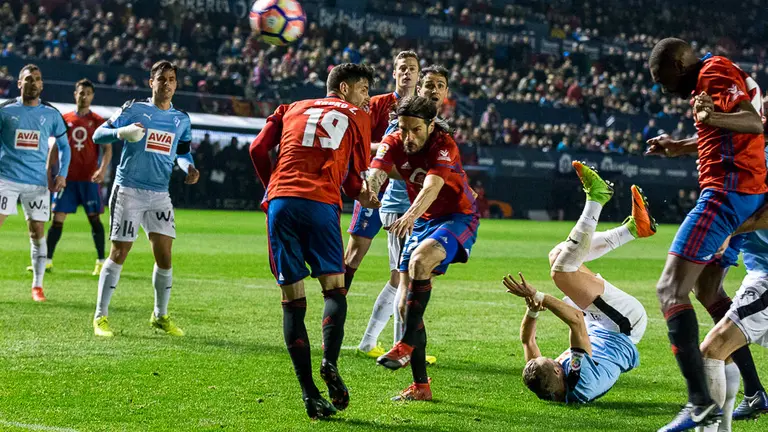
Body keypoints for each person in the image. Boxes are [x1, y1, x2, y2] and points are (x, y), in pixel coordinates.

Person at [647, 38, 767, 431]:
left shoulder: (714, 72)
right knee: (708, 288)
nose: (665, 89)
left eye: (665, 79)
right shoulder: (712, 81)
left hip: (729, 197)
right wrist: (680, 147)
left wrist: (711, 119)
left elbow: (749, 123)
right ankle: (754, 391)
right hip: (736, 198)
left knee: (670, 290)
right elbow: (733, 131)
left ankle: (699, 401)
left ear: (680, 65)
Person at [248, 63, 379, 419]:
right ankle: (329, 362)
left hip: (282, 203)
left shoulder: (290, 107)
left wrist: (271, 187)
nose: (367, 97)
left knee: (292, 301)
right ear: (345, 87)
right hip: (321, 203)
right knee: (334, 290)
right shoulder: (357, 116)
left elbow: (258, 149)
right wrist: (363, 196)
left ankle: (310, 395)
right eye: (364, 88)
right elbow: (353, 179)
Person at [507, 162, 655, 403]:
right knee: (561, 272)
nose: (554, 359)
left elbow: (527, 340)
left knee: (558, 256)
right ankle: (596, 198)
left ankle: (634, 229)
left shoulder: (545, 383)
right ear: (557, 370)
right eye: (553, 361)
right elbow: (575, 321)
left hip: (600, 324)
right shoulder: (578, 377)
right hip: (622, 326)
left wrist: (532, 312)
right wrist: (538, 296)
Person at [368, 95, 479, 401]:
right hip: (425, 221)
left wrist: (409, 215)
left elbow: (431, 187)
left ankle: (404, 344)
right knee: (405, 306)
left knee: (419, 262)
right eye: (403, 128)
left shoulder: (443, 145)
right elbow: (376, 171)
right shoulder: (394, 141)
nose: (408, 136)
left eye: (415, 129)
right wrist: (369, 190)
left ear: (430, 126)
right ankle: (420, 386)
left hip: (458, 217)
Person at [90, 60, 200, 338]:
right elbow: (97, 135)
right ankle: (100, 317)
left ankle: (160, 316)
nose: (167, 84)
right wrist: (121, 133)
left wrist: (189, 168)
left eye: (172, 79)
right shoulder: (134, 109)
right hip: (128, 190)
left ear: (177, 84)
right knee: (119, 252)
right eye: (161, 79)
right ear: (151, 83)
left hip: (160, 194)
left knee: (165, 256)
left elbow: (183, 152)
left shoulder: (181, 120)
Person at [358, 63, 449, 369]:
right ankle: (399, 347)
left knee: (404, 280)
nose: (433, 91)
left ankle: (376, 342)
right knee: (403, 282)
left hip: (418, 212)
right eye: (429, 86)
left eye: (439, 86)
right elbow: (383, 152)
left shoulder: (435, 125)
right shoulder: (405, 120)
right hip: (399, 210)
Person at [345, 50, 419, 298]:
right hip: (374, 190)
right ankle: (335, 306)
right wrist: (388, 149)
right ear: (394, 73)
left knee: (403, 271)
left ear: (418, 75)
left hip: (405, 199)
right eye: (403, 68)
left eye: (412, 68)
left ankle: (389, 333)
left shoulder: (424, 110)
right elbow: (357, 142)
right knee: (354, 255)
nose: (407, 72)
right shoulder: (377, 104)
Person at [0, 63, 70, 302]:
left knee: (37, 232)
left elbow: (64, 146)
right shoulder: (5, 110)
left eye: (37, 79)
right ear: (19, 83)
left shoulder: (51, 114)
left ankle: (37, 286)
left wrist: (62, 174)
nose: (33, 83)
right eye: (28, 79)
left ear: (42, 84)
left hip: (37, 182)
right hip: (5, 179)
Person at [38, 79, 110, 276]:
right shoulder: (65, 118)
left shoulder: (97, 121)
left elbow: (107, 148)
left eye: (87, 93)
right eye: (81, 92)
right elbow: (55, 146)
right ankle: (48, 261)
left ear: (92, 96)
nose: (83, 96)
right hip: (66, 179)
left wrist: (102, 169)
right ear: (75, 94)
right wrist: (48, 170)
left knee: (94, 219)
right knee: (57, 219)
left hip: (88, 179)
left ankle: (101, 261)